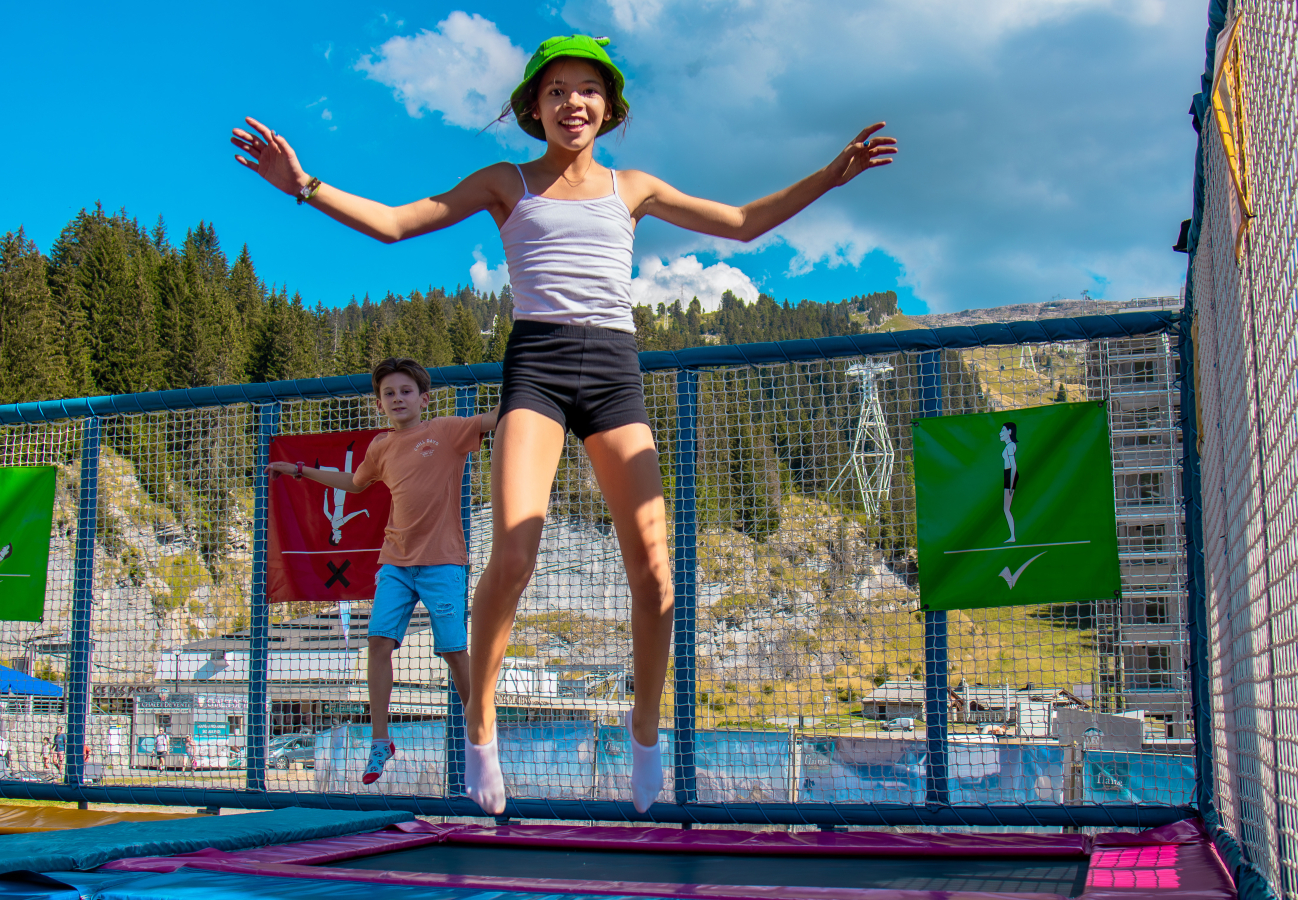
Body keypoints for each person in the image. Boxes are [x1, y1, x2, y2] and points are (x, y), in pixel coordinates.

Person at [232, 35, 895, 814]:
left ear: (609, 108)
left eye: (587, 90)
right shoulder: (506, 182)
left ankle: (645, 730)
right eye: (555, 91)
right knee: (512, 552)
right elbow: (395, 224)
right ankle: (478, 724)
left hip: (614, 372)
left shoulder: (633, 186)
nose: (571, 103)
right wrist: (302, 184)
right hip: (538, 370)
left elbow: (744, 222)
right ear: (533, 107)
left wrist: (830, 174)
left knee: (655, 574)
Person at [266, 357, 497, 786]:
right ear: (380, 405)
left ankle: (478, 731)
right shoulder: (380, 447)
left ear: (423, 399)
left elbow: (496, 418)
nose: (398, 399)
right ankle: (380, 740)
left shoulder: (446, 431)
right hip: (395, 561)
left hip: (442, 560)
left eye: (406, 391)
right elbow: (354, 484)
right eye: (389, 394)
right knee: (377, 642)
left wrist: (538, 389)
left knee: (452, 650)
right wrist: (299, 471)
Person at [999, 422, 1019, 543]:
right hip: (1008, 474)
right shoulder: (1008, 446)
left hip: (1010, 474)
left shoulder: (1011, 446)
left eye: (1003, 431)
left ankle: (1012, 536)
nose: (1000, 433)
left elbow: (1014, 466)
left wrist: (1011, 484)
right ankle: (1012, 536)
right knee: (1006, 508)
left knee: (1007, 508)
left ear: (1009, 432)